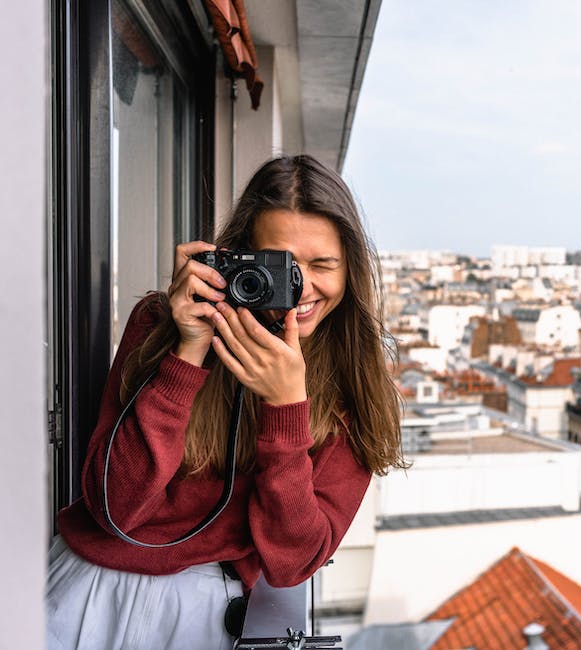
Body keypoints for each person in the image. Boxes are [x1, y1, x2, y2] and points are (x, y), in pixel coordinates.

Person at [46, 154, 405, 649]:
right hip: (86, 589)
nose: (299, 286)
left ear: (350, 270)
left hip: (207, 611)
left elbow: (294, 562)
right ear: (237, 257)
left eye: (322, 265)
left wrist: (285, 412)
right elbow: (115, 508)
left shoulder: (351, 384)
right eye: (279, 265)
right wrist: (188, 347)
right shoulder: (160, 324)